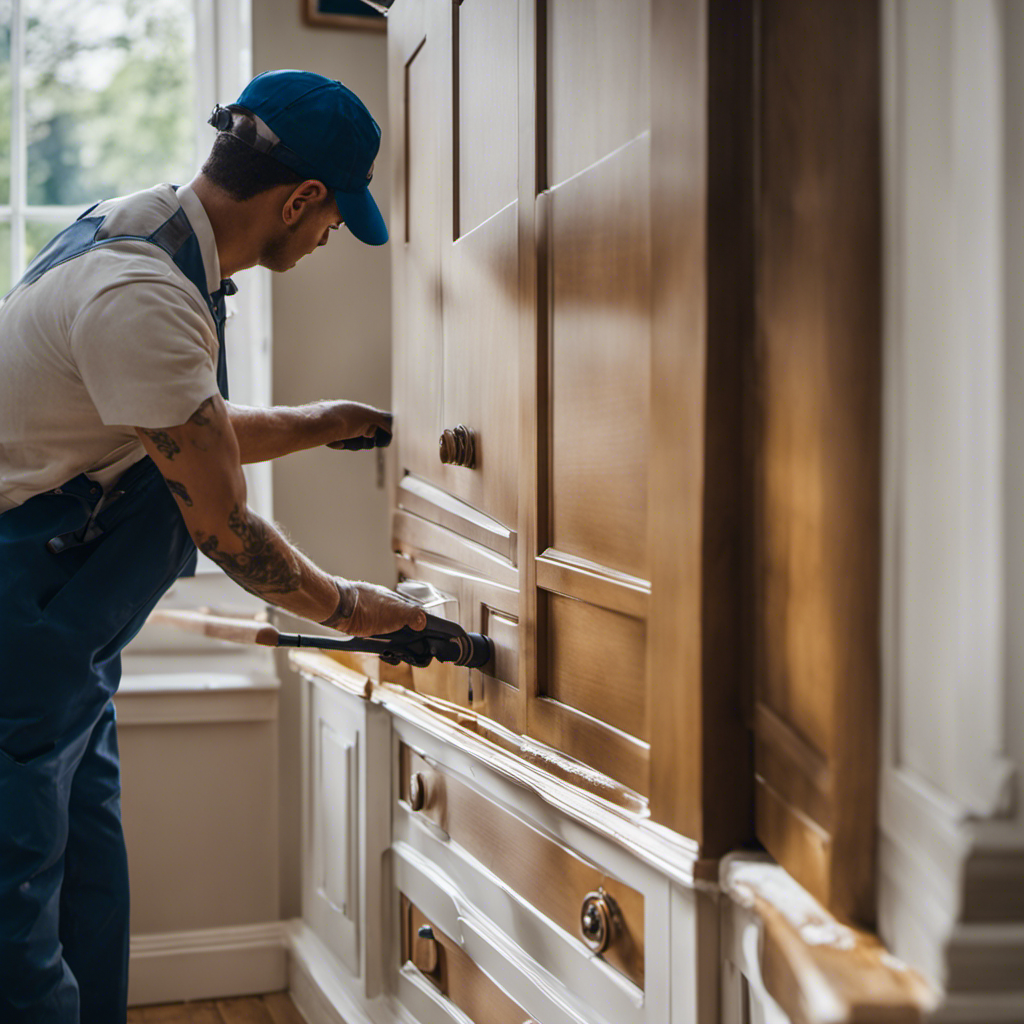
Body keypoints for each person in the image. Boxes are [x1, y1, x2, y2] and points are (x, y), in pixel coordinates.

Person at [0, 69, 425, 1024]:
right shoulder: (143, 292)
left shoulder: (149, 223)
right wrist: (357, 611)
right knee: (16, 929)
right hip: (18, 626)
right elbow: (225, 529)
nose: (325, 241)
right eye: (331, 222)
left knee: (88, 893)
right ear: (302, 197)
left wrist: (321, 420)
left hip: (65, 641)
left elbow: (172, 424)